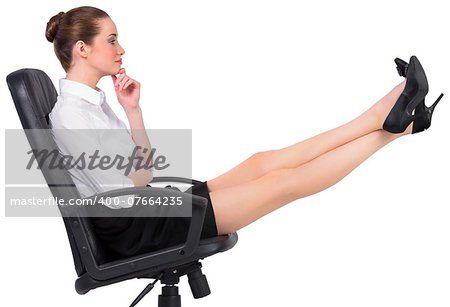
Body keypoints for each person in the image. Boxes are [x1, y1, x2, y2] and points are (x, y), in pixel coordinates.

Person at [46, 6, 444, 262]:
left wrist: (133, 112)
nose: (122, 49)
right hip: (140, 229)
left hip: (151, 210)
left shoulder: (94, 105)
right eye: (112, 40)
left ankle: (383, 117)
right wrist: (144, 179)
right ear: (82, 48)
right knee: (282, 182)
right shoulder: (70, 116)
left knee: (261, 162)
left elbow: (141, 175)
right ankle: (393, 128)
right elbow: (128, 194)